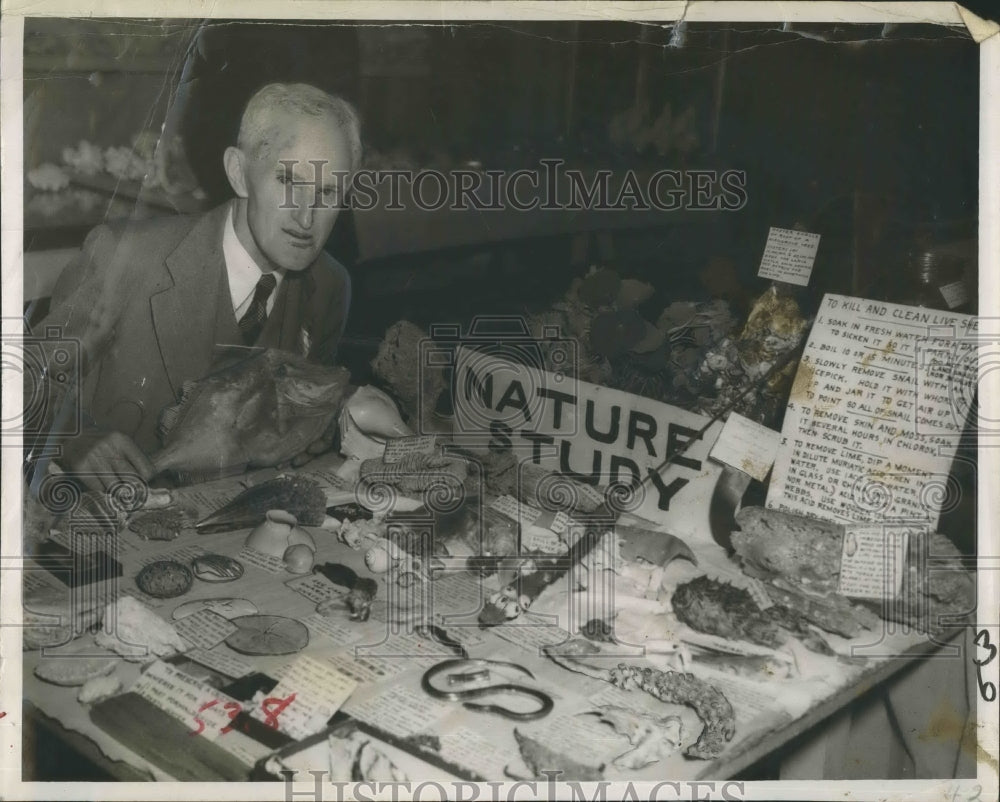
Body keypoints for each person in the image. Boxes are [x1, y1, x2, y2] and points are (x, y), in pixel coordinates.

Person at [32, 83, 361, 493]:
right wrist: (71, 437)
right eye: (288, 180)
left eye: (327, 192)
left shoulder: (329, 285)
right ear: (239, 173)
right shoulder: (127, 258)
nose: (306, 217)